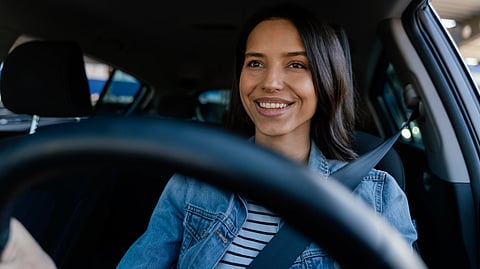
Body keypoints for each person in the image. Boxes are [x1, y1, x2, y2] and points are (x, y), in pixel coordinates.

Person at [0, 3, 417, 268]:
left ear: (326, 81)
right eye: (255, 63)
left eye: (296, 65)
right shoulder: (192, 183)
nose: (270, 82)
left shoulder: (375, 195)